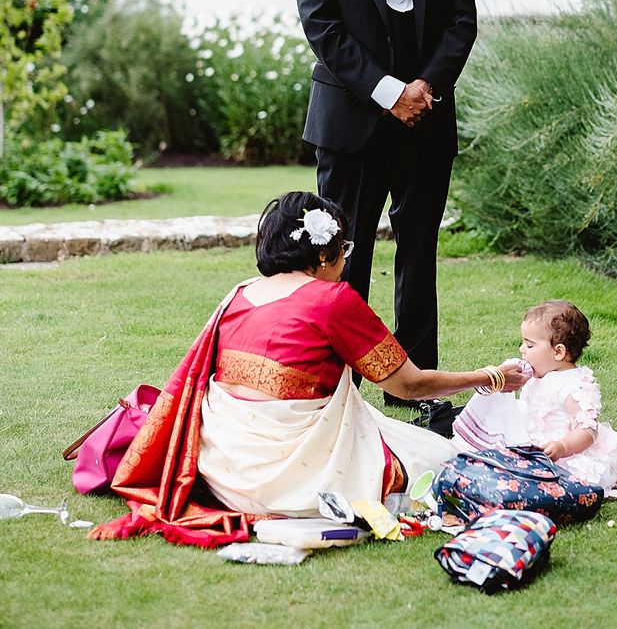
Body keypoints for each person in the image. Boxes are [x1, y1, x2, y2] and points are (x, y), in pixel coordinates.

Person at [89, 192, 527, 547]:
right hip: (294, 480)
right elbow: (408, 385)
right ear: (323, 255)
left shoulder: (239, 294)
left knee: (397, 436)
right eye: (343, 249)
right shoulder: (332, 300)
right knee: (443, 460)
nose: (344, 260)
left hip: (223, 471)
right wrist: (491, 377)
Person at [295, 0, 478, 407]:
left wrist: (425, 87)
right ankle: (338, 389)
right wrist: (389, 92)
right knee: (341, 257)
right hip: (350, 122)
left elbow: (461, 17)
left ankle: (415, 387)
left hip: (428, 117)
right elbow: (321, 22)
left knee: (419, 254)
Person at [452, 300, 617, 497]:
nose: (522, 349)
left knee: (548, 481)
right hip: (531, 437)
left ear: (558, 352)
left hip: (561, 451)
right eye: (523, 343)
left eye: (530, 345)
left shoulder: (574, 385)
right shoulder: (538, 373)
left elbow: (588, 429)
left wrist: (563, 446)